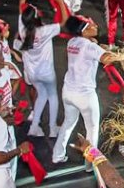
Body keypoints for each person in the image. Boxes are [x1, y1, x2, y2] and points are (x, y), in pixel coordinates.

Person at [50, 16, 120, 164]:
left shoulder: (72, 42)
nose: (95, 26)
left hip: (68, 91)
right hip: (85, 95)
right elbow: (106, 59)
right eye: (90, 25)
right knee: (92, 129)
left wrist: (97, 46)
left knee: (68, 123)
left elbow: (90, 48)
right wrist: (121, 55)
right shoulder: (90, 47)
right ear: (84, 31)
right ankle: (90, 164)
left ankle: (57, 155)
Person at [17, 0, 67, 138]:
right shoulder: (46, 30)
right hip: (47, 72)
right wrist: (60, 2)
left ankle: (34, 127)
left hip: (33, 74)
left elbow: (20, 6)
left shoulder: (22, 29)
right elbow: (63, 22)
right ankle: (52, 129)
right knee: (52, 96)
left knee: (41, 96)